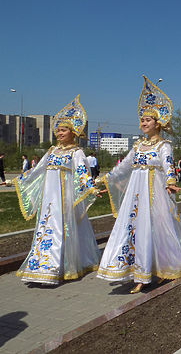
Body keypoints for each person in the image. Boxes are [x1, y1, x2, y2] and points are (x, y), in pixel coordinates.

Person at [97, 77, 181, 294]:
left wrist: (171, 182)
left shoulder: (164, 146)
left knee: (155, 230)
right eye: (142, 120)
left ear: (158, 123)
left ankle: (155, 270)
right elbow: (123, 167)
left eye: (147, 120)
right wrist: (104, 179)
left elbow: (168, 166)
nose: (143, 123)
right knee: (134, 229)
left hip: (154, 195)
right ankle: (137, 270)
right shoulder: (137, 146)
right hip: (135, 197)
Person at [8, 95, 99, 284]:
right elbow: (36, 171)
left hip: (64, 199)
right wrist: (13, 182)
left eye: (63, 130)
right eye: (57, 130)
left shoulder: (77, 153)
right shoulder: (51, 151)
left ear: (72, 132)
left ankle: (56, 268)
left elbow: (83, 174)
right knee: (45, 228)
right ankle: (39, 266)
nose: (59, 133)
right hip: (48, 200)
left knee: (60, 229)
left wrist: (91, 188)